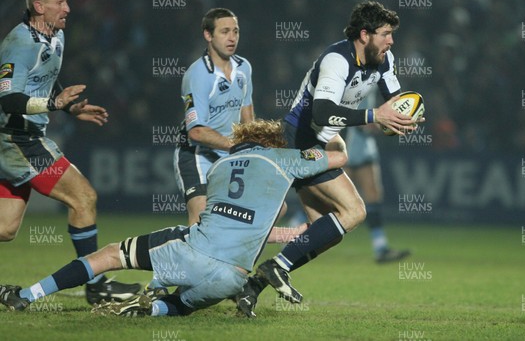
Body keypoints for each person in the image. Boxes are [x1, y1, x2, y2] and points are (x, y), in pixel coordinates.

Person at [0, 119, 346, 317]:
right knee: (181, 305)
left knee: (108, 255)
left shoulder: (219, 168)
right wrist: (333, 128)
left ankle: (26, 295)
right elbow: (339, 157)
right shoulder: (282, 158)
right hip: (232, 281)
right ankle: (150, 312)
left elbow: (225, 219)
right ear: (270, 144)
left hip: (192, 255)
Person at [235, 0, 424, 317]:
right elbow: (322, 112)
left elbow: (396, 100)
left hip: (320, 140)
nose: (391, 41)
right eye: (386, 34)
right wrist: (374, 114)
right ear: (365, 34)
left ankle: (252, 288)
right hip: (300, 140)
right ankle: (274, 266)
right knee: (353, 211)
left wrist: (409, 116)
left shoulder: (384, 59)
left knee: (322, 230)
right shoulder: (337, 60)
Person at [0, 0, 140, 304]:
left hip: (23, 138)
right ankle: (97, 285)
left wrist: (70, 106)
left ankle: (96, 284)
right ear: (40, 7)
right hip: (17, 140)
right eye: (61, 2)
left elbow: (44, 78)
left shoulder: (56, 36)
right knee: (84, 197)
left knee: (5, 228)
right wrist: (53, 105)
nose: (68, 9)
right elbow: (7, 98)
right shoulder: (19, 43)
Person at [174, 8, 255, 226]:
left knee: (264, 209)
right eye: (225, 31)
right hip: (197, 155)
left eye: (236, 31)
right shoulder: (198, 74)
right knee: (201, 222)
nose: (232, 38)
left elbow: (247, 115)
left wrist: (254, 145)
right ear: (208, 35)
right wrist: (236, 145)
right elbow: (196, 131)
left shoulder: (243, 68)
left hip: (230, 153)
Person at [344, 91, 411, 263]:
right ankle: (294, 232)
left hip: (364, 144)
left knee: (373, 195)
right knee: (329, 197)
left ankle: (380, 248)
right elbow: (357, 119)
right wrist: (392, 124)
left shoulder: (375, 76)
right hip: (348, 142)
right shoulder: (355, 76)